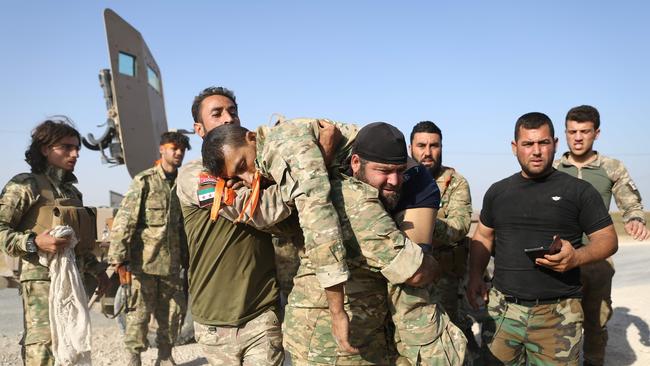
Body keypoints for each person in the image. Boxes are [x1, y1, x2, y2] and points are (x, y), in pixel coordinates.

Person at [467, 112, 618, 365]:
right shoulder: (498, 192)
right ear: (515, 148)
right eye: (528, 144)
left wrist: (576, 257)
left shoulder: (579, 191)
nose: (536, 151)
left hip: (558, 316)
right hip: (504, 312)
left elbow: (608, 239)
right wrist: (474, 277)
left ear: (555, 144)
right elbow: (483, 234)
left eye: (543, 143)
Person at [176, 86, 293, 366]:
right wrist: (298, 185)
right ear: (199, 128)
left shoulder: (258, 168)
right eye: (216, 114)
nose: (228, 118)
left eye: (233, 112)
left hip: (260, 314)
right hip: (214, 322)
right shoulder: (194, 177)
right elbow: (259, 209)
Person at [0, 118, 109, 366]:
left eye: (77, 148)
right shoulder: (26, 185)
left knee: (71, 347)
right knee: (45, 350)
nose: (75, 153)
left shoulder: (71, 192)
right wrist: (33, 242)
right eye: (66, 147)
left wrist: (98, 271)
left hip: (72, 281)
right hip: (40, 281)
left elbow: (78, 244)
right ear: (45, 149)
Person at [553, 105, 649, 366]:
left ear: (597, 133)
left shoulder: (611, 167)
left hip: (597, 260)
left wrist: (635, 219)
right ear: (565, 133)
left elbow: (630, 203)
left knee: (597, 322)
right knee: (559, 326)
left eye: (585, 131)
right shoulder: (553, 168)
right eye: (572, 131)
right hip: (560, 261)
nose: (578, 137)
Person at [109, 131, 191, 366]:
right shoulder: (144, 181)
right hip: (144, 264)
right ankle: (133, 358)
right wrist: (119, 258)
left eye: (182, 150)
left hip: (173, 266)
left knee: (173, 314)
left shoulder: (182, 185)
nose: (178, 153)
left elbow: (184, 227)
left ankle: (165, 356)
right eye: (173, 148)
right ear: (162, 149)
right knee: (138, 315)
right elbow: (126, 219)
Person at [409, 121, 474, 341]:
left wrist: (418, 221)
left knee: (451, 338)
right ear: (411, 148)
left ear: (441, 148)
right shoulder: (399, 178)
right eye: (421, 145)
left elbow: (459, 226)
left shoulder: (455, 182)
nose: (427, 152)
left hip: (446, 279)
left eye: (434, 146)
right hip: (408, 272)